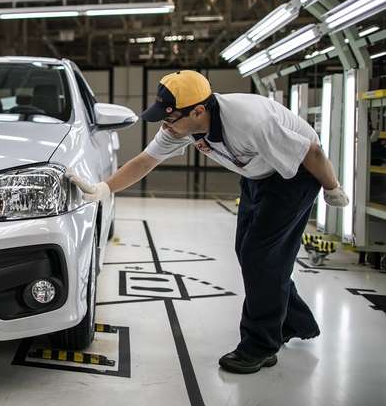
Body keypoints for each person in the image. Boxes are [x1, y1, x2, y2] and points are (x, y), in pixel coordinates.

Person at [67, 70, 349, 374]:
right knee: (250, 253)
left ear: (199, 110)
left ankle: (260, 346)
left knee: (261, 257)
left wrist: (332, 188)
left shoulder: (252, 121)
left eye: (170, 119)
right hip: (257, 176)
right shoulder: (182, 126)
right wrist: (105, 188)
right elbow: (144, 161)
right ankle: (294, 321)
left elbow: (313, 151)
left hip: (296, 176)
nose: (165, 126)